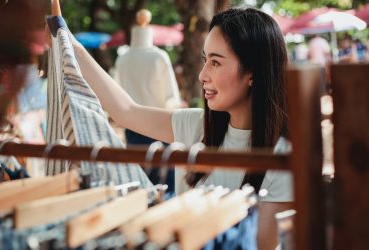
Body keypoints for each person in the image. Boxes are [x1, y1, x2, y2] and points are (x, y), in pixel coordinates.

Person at [48, 2, 293, 249]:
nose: (202, 75)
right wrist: (64, 39)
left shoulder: (282, 158)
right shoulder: (196, 126)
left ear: (253, 73)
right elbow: (126, 111)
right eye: (205, 60)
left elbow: (260, 244)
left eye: (216, 63)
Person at [114, 9, 182, 193]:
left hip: (133, 128)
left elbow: (116, 94)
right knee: (165, 187)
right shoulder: (159, 57)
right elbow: (171, 99)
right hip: (159, 125)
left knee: (140, 184)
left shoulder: (122, 59)